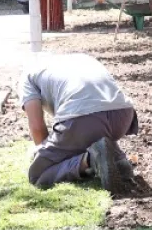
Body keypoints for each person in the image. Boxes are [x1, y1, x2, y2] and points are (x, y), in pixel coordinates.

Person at [18, 53, 138, 193]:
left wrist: (47, 156)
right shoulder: (80, 58)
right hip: (123, 116)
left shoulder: (27, 76)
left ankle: (90, 160)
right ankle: (119, 161)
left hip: (83, 119)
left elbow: (37, 128)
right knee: (92, 132)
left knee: (36, 174)